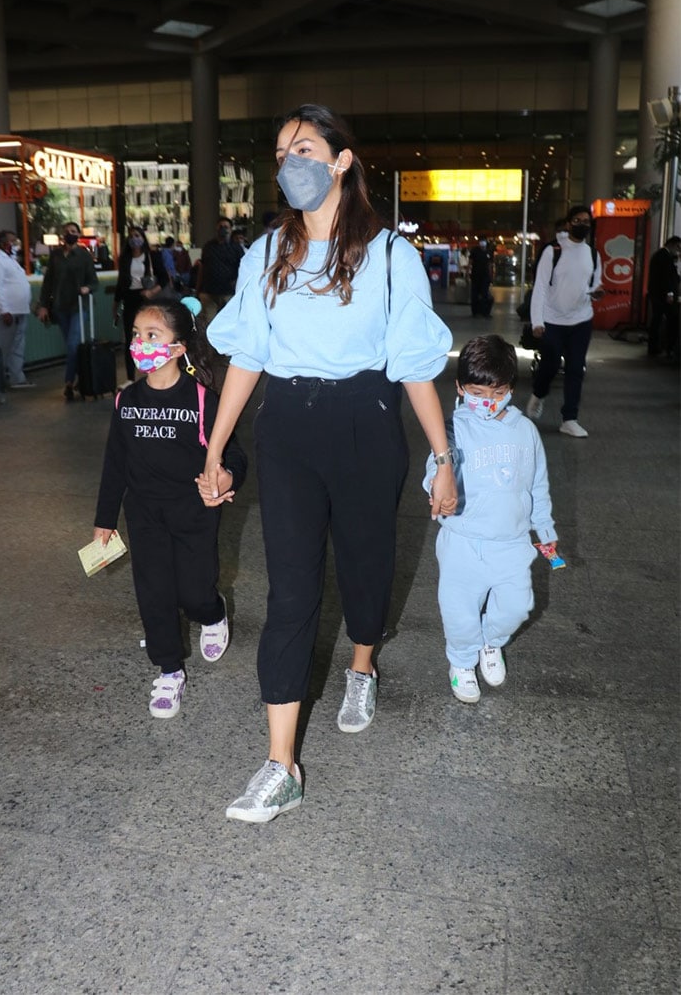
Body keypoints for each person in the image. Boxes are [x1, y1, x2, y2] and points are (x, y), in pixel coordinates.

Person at [196, 102, 458, 824]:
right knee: (291, 592)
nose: (291, 163)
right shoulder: (265, 254)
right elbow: (246, 354)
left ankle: (363, 665)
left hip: (366, 421)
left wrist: (444, 457)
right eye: (283, 151)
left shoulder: (391, 255)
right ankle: (281, 766)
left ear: (342, 160)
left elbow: (411, 364)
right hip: (286, 428)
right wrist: (216, 447)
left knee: (367, 565)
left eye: (306, 148)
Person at [92, 296, 247, 718]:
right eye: (137, 336)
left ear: (178, 348)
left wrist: (226, 477)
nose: (140, 343)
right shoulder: (127, 400)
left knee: (194, 593)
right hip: (144, 515)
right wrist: (105, 519)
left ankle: (213, 613)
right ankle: (168, 670)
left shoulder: (201, 400)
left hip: (194, 513)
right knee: (154, 592)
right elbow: (115, 463)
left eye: (152, 336)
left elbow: (234, 456)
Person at [423, 334, 557, 704]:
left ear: (511, 389)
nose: (487, 402)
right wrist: (435, 486)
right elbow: (435, 468)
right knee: (459, 610)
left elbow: (538, 484)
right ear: (459, 387)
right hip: (463, 541)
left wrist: (544, 530)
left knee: (517, 606)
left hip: (512, 542)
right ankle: (462, 661)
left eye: (497, 393)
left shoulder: (525, 431)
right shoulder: (453, 430)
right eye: (477, 392)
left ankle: (490, 642)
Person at [526, 205, 603, 437]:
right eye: (578, 220)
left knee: (575, 368)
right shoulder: (553, 250)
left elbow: (593, 284)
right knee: (549, 365)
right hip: (552, 320)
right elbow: (539, 287)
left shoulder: (593, 254)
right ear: (569, 224)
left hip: (581, 319)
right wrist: (537, 321)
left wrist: (595, 292)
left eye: (587, 221)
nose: (583, 225)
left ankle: (569, 418)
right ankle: (538, 394)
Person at [37, 221, 98, 401]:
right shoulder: (56, 255)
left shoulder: (84, 256)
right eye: (66, 232)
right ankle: (83, 377)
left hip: (79, 306)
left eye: (73, 231)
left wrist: (88, 288)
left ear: (78, 235)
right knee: (72, 346)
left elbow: (94, 281)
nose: (69, 234)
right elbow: (48, 282)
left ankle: (69, 382)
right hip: (60, 307)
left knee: (72, 344)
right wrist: (43, 304)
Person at [113, 226, 170, 390]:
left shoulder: (152, 256)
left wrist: (152, 291)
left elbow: (165, 279)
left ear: (143, 238)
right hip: (130, 298)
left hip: (147, 298)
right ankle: (130, 377)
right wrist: (115, 304)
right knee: (131, 339)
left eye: (137, 235)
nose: (134, 239)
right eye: (131, 236)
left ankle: (154, 372)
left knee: (151, 336)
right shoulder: (125, 258)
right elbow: (120, 283)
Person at [0, 229, 35, 390]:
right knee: (3, 348)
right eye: (13, 241)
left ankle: (17, 378)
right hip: (8, 312)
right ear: (4, 243)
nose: (16, 244)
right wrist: (4, 310)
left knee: (17, 346)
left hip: (20, 309)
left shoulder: (11, 259)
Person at [197, 216, 245, 312]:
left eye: (226, 227)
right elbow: (202, 267)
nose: (223, 229)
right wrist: (198, 289)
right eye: (220, 226)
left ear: (231, 230)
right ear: (216, 228)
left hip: (228, 293)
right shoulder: (208, 247)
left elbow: (243, 268)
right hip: (209, 292)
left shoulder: (236, 248)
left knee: (228, 322)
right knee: (208, 323)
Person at [646, 235, 680, 361]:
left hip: (657, 294)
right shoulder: (665, 257)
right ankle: (668, 347)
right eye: (678, 247)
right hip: (662, 296)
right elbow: (667, 278)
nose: (678, 250)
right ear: (672, 244)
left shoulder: (659, 255)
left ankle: (654, 346)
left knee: (657, 319)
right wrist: (670, 293)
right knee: (670, 319)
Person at [468, 237, 493, 318]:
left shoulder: (489, 251)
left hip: (485, 276)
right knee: (474, 294)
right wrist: (468, 272)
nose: (482, 243)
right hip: (475, 276)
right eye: (481, 242)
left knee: (485, 294)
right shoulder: (475, 251)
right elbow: (470, 262)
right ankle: (475, 312)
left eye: (484, 242)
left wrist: (490, 275)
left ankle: (485, 312)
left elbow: (489, 264)